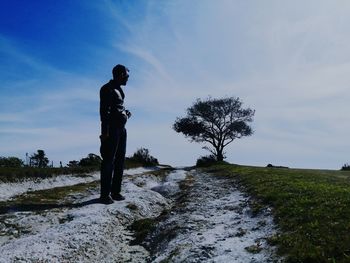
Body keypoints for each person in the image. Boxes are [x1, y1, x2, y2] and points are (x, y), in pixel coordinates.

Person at [99, 64, 131, 204]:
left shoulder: (118, 90)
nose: (128, 79)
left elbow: (118, 109)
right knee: (108, 161)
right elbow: (104, 112)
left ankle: (116, 192)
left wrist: (125, 114)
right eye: (127, 76)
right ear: (121, 75)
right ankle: (104, 195)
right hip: (111, 130)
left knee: (120, 161)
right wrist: (104, 132)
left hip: (121, 129)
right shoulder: (107, 88)